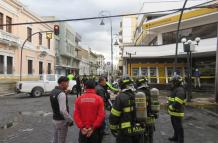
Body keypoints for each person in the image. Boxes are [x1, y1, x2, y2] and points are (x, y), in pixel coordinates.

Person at [109, 76, 145, 143]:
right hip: (138, 129)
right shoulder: (138, 94)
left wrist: (113, 128)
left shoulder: (120, 97)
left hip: (125, 132)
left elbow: (114, 115)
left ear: (122, 85)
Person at [50, 76, 74, 143]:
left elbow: (56, 100)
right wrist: (70, 120)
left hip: (55, 119)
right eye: (67, 83)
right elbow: (63, 110)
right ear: (63, 83)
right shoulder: (61, 94)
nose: (68, 85)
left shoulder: (53, 91)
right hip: (61, 121)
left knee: (55, 139)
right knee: (61, 140)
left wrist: (64, 93)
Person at [136, 76, 156, 143]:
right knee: (150, 134)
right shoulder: (149, 90)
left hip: (141, 116)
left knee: (142, 135)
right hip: (151, 117)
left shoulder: (137, 92)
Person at [168, 75, 186, 143]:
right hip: (173, 112)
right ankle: (175, 137)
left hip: (177, 112)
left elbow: (178, 101)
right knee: (175, 126)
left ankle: (181, 140)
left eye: (172, 82)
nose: (171, 83)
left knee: (179, 127)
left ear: (176, 82)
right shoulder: (176, 89)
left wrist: (172, 107)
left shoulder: (180, 90)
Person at [95, 76, 110, 143]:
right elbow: (102, 99)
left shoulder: (98, 87)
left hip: (97, 106)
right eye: (104, 81)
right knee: (105, 117)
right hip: (100, 106)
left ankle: (102, 130)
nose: (105, 82)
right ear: (101, 82)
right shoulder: (100, 89)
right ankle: (103, 130)